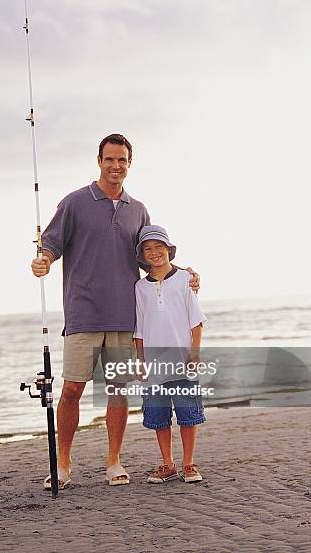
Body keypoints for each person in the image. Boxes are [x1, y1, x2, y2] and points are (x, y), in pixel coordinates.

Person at [31, 134, 200, 488]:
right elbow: (52, 242)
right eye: (110, 159)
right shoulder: (75, 202)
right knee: (72, 390)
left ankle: (114, 462)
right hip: (83, 313)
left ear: (129, 164)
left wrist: (184, 273)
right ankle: (62, 465)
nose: (116, 166)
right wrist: (44, 259)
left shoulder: (137, 209)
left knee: (117, 390)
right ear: (99, 161)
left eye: (122, 160)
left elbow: (152, 254)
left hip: (125, 316)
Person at [134, 225, 206, 483]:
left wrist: (194, 354)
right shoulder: (140, 288)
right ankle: (168, 464)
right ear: (143, 256)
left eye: (159, 247)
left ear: (169, 250)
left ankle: (188, 464)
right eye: (148, 249)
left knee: (188, 413)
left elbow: (195, 321)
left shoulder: (185, 280)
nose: (154, 253)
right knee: (158, 415)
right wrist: (140, 361)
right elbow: (140, 328)